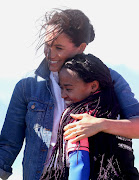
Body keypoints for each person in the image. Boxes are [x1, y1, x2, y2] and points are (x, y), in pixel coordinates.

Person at [0, 8, 139, 180]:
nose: (49, 53)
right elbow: (8, 145)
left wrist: (100, 124)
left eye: (58, 47)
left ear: (81, 48)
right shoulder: (27, 87)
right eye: (47, 45)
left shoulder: (109, 80)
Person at [40, 53, 139, 180]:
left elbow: (79, 165)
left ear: (93, 86)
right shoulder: (116, 110)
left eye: (68, 89)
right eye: (61, 88)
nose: (63, 95)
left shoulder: (79, 117)